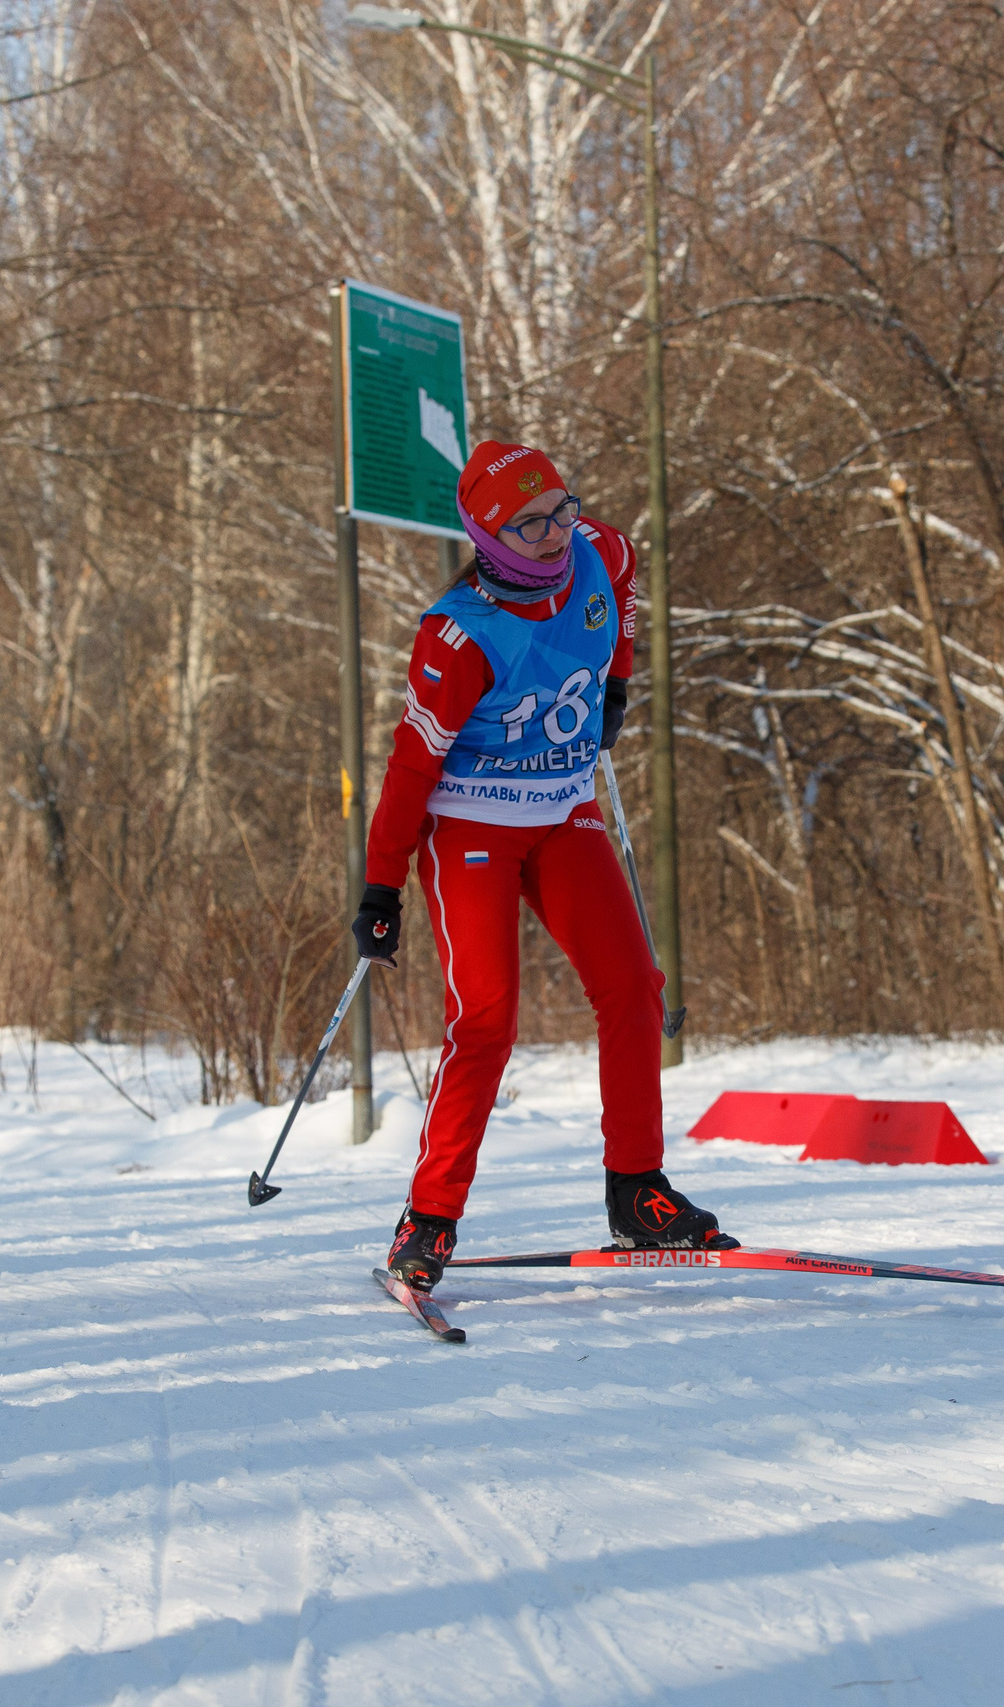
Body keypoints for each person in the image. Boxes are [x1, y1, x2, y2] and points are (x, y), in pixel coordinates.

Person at [354, 440, 736, 1292]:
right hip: (473, 830)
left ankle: (638, 1191)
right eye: (530, 526)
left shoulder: (600, 551)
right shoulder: (460, 637)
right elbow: (411, 769)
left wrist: (616, 686)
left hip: (564, 812)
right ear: (489, 540)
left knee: (634, 984)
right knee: (485, 1022)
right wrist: (382, 886)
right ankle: (429, 1217)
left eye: (562, 509)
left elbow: (625, 584)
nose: (556, 533)